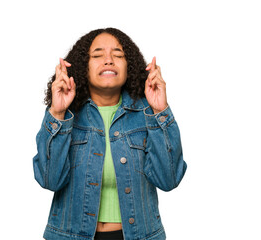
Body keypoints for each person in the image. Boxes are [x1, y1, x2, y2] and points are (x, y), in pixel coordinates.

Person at [33, 27, 187, 240]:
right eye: (97, 55)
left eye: (118, 55)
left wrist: (160, 111)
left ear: (129, 66)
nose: (108, 60)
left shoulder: (147, 114)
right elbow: (50, 180)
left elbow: (168, 180)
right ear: (82, 67)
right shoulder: (65, 116)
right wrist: (57, 113)